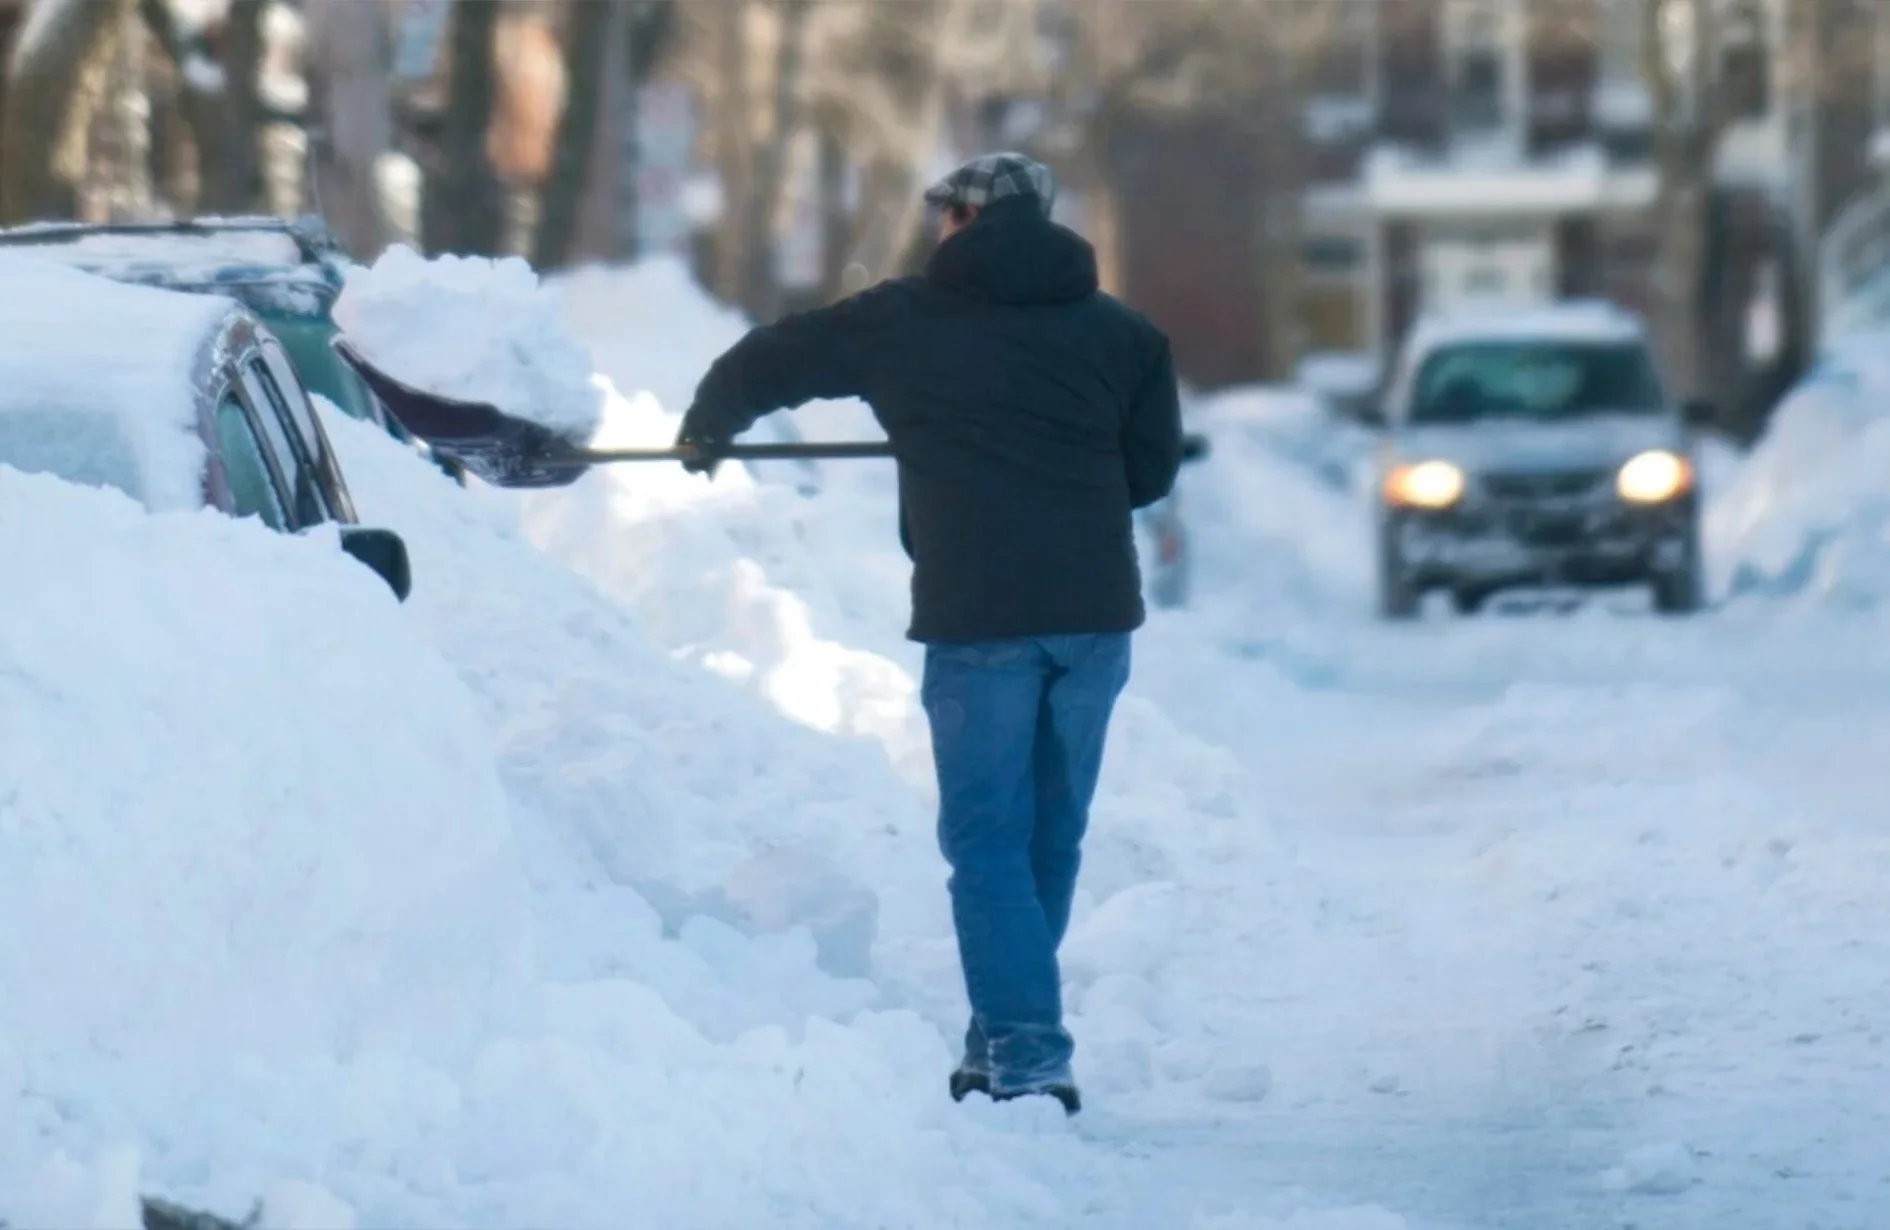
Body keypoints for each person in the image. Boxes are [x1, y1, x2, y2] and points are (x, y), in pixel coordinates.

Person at [674, 152, 1184, 1114]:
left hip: (980, 616)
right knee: (1049, 838)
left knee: (988, 843)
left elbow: (769, 360)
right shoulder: (1126, 334)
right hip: (1092, 618)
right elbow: (1148, 472)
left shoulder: (901, 320)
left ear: (966, 218)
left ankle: (1029, 1054)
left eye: (941, 212)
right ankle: (1000, 1041)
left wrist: (709, 429)